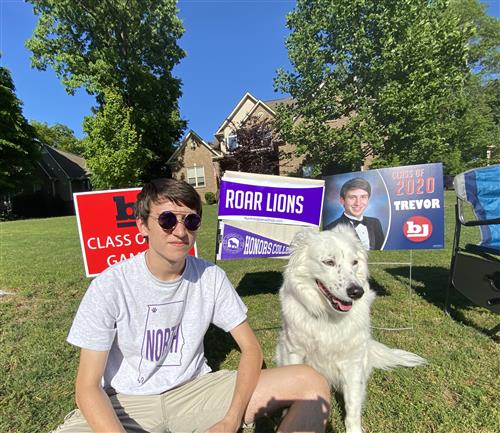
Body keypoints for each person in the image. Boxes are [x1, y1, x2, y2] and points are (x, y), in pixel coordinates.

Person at [52, 178, 330, 433]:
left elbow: (251, 349)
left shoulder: (210, 277)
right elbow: (87, 387)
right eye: (167, 220)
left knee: (310, 384)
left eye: (191, 221)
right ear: (142, 225)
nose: (180, 231)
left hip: (194, 391)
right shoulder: (110, 284)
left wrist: (231, 419)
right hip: (126, 402)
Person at [324, 177, 385, 250]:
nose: (358, 203)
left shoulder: (375, 222)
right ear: (342, 200)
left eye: (363, 197)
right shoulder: (330, 229)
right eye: (352, 197)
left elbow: (381, 250)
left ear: (368, 199)